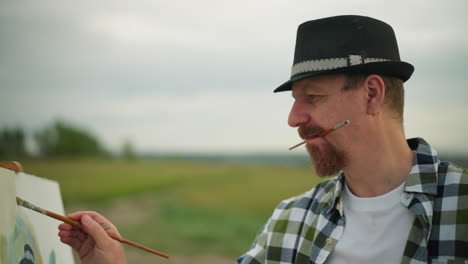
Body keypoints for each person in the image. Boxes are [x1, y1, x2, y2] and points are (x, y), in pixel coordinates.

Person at [58, 15, 468, 263]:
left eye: (313, 97)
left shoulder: (460, 206)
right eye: (295, 100)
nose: (293, 118)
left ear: (372, 94)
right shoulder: (291, 219)